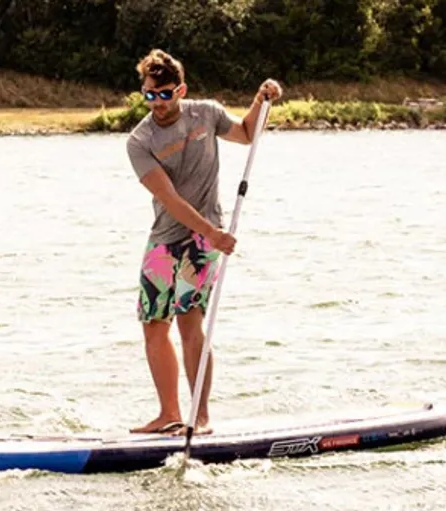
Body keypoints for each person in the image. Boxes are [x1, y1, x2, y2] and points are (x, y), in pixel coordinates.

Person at [125, 49, 282, 435]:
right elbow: (170, 199)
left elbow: (246, 134)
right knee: (152, 323)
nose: (156, 103)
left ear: (180, 90)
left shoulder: (206, 113)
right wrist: (212, 232)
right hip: (166, 237)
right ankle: (169, 414)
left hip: (203, 237)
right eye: (149, 95)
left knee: (188, 320)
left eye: (163, 94)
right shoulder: (139, 140)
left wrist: (262, 100)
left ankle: (201, 417)